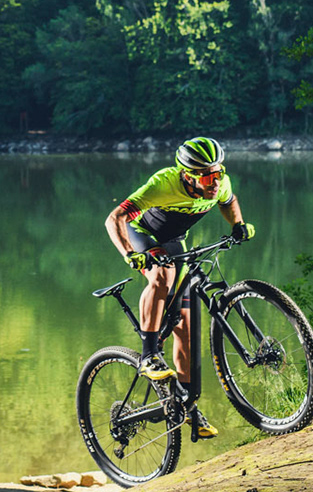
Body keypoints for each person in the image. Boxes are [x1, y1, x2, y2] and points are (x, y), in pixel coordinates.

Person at [101, 136, 255, 441]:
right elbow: (114, 218)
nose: (215, 181)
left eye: (218, 172)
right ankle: (148, 355)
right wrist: (129, 253)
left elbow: (229, 201)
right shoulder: (163, 183)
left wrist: (237, 225)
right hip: (141, 234)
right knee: (162, 275)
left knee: (184, 327)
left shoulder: (220, 184)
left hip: (173, 242)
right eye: (207, 176)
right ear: (187, 175)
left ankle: (186, 406)